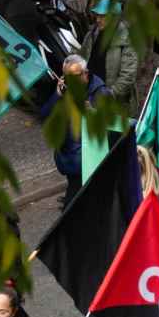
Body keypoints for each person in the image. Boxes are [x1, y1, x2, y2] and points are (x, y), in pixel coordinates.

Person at [39, 55, 110, 208]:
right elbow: (45, 116)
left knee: (77, 203)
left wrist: (92, 112)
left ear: (85, 74)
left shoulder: (100, 92)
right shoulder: (65, 91)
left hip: (87, 158)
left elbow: (111, 124)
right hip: (68, 156)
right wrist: (57, 95)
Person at [86, 0, 140, 111]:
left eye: (103, 16)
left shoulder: (127, 39)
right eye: (97, 15)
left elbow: (128, 75)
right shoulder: (92, 35)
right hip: (92, 94)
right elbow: (83, 57)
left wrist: (111, 93)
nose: (98, 20)